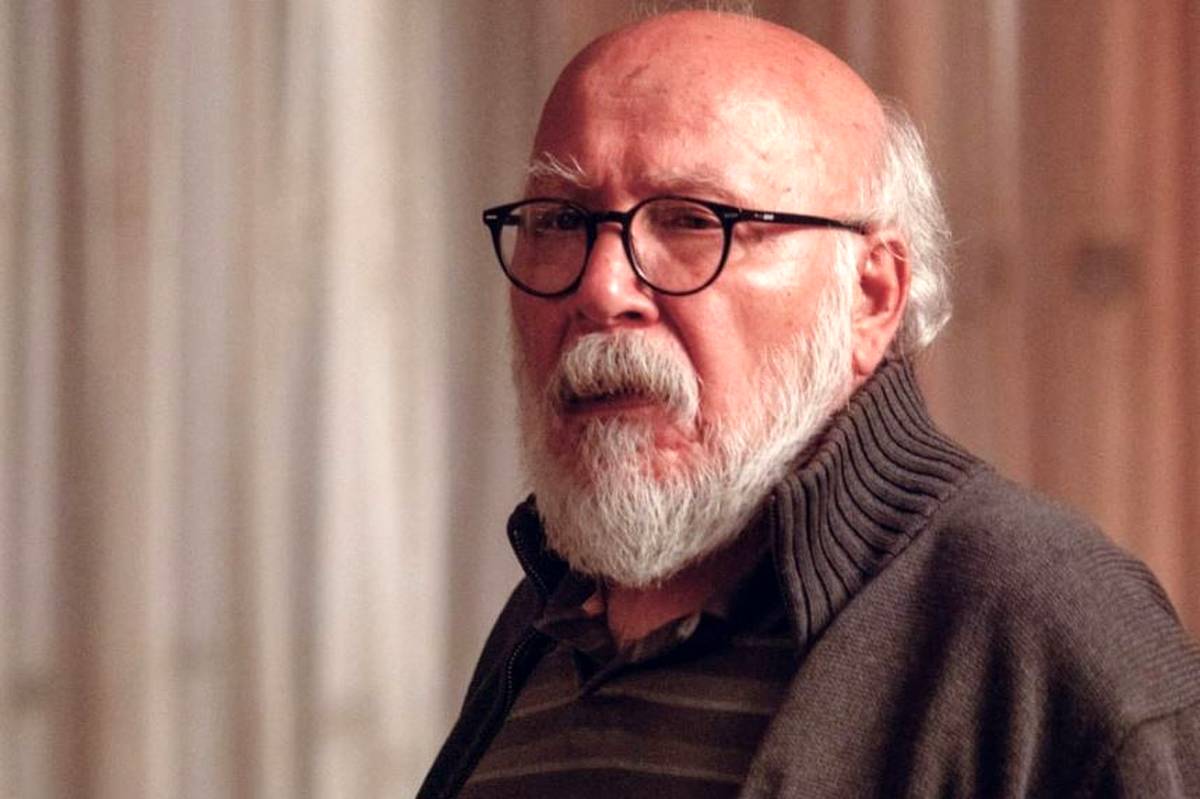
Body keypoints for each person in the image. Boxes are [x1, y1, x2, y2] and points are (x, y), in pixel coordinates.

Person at [420, 9, 1200, 798]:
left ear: (871, 295)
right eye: (559, 220)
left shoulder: (1042, 627)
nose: (600, 287)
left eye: (692, 221)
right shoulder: (543, 625)